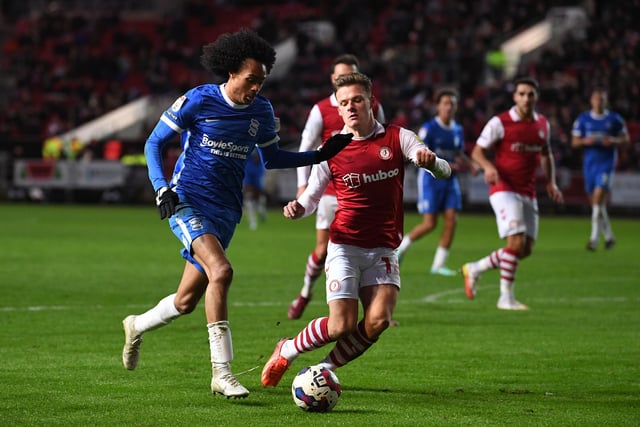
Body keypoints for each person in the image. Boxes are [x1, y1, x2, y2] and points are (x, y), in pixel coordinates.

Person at [120, 29, 352, 399]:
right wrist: (161, 187)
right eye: (251, 80)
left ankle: (136, 325)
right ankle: (221, 372)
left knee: (185, 301)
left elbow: (273, 158)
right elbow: (154, 142)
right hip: (188, 200)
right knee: (222, 271)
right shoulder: (198, 100)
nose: (256, 88)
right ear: (231, 73)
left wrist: (321, 155)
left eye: (261, 81)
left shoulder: (261, 111)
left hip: (227, 210)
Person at [261, 72, 451, 387]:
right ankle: (289, 348)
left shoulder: (398, 137)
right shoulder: (331, 149)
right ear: (338, 108)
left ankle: (320, 371)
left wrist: (430, 163)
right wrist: (298, 209)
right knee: (341, 325)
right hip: (345, 246)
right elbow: (310, 199)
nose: (350, 107)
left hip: (383, 249)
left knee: (378, 321)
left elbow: (443, 169)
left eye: (357, 100)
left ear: (371, 102)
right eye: (344, 102)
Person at [288, 54, 386, 319]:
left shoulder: (371, 107)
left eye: (349, 74)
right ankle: (305, 293)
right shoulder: (321, 109)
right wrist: (302, 185)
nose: (344, 79)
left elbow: (382, 140)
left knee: (374, 246)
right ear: (333, 80)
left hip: (364, 192)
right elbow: (306, 148)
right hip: (331, 192)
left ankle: (377, 309)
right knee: (323, 250)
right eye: (340, 76)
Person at [460, 76, 564, 310]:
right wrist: (488, 167)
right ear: (515, 96)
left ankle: (475, 268)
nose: (526, 98)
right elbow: (477, 151)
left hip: (528, 191)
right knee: (515, 242)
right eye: (522, 94)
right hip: (503, 187)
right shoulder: (500, 122)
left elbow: (546, 154)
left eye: (531, 94)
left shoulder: (542, 125)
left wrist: (551, 182)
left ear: (536, 97)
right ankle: (505, 298)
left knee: (524, 249)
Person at [396, 88, 478, 276]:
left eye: (452, 104)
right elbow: (419, 153)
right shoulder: (429, 128)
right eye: (445, 103)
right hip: (430, 180)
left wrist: (470, 165)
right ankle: (401, 248)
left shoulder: (457, 129)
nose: (449, 107)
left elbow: (459, 153)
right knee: (429, 223)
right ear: (438, 106)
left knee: (452, 220)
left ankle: (438, 265)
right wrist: (447, 164)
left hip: (450, 181)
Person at [571, 88, 629, 251]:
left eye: (602, 99)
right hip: (590, 164)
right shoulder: (583, 119)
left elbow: (626, 139)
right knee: (597, 204)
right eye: (596, 99)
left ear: (606, 101)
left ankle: (594, 240)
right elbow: (574, 142)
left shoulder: (614, 119)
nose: (599, 102)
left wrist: (613, 140)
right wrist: (584, 142)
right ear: (591, 101)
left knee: (597, 200)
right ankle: (609, 236)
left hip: (606, 163)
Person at [243, 147, 267, 230]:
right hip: (248, 169)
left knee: (260, 195)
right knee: (248, 196)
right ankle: (252, 221)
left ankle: (261, 211)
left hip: (258, 169)